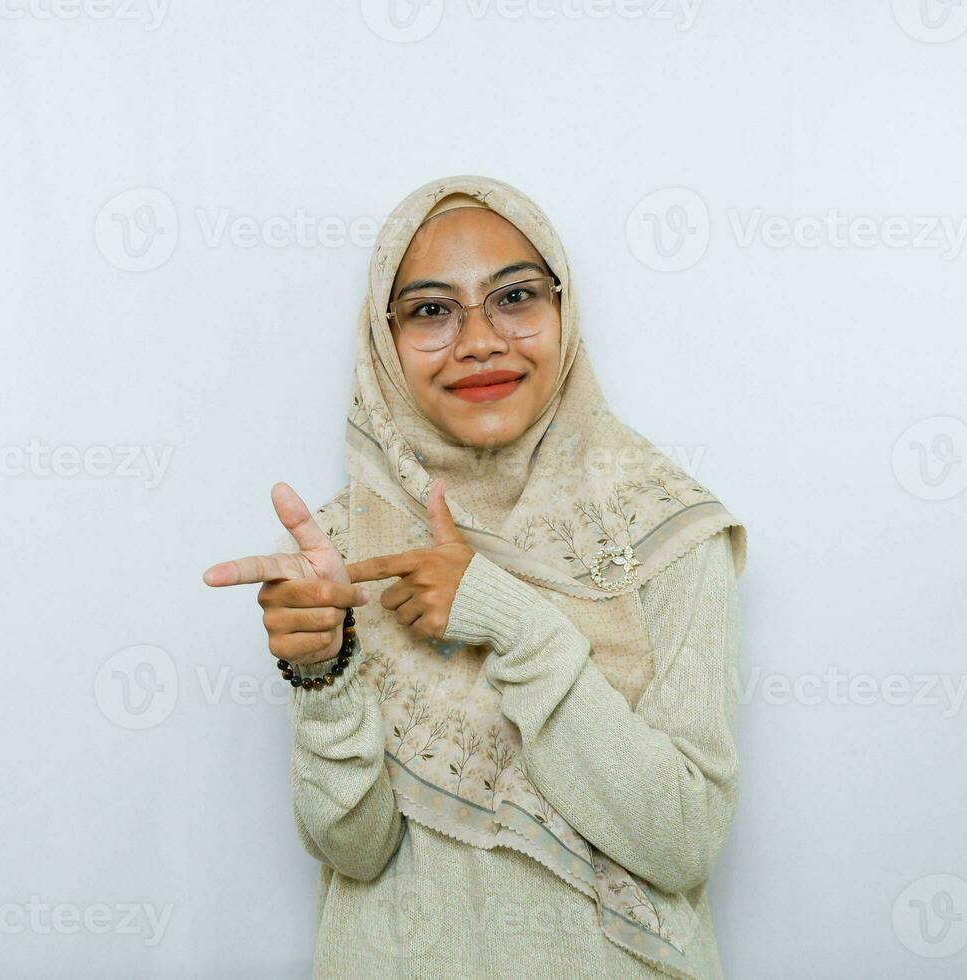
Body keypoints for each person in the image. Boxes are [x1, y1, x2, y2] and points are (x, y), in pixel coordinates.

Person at [202, 175, 747, 978]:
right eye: (430, 310)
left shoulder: (663, 531)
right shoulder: (348, 551)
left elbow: (679, 841)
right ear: (381, 341)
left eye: (514, 298)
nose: (480, 340)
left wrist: (506, 616)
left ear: (562, 312)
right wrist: (322, 675)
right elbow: (352, 851)